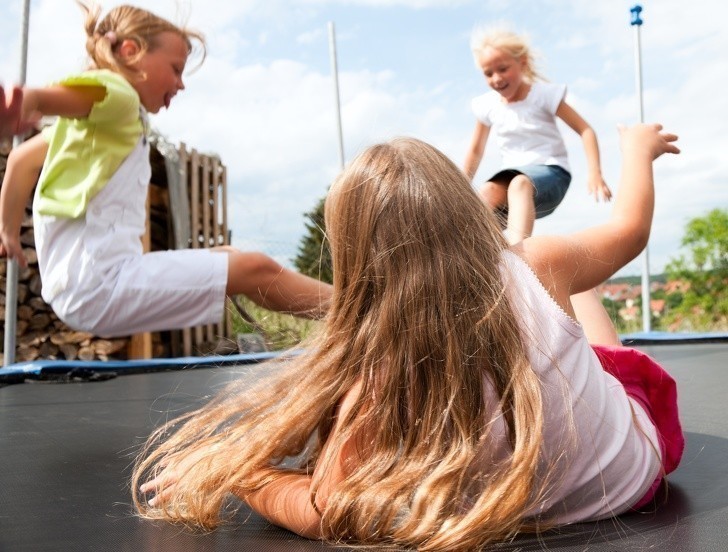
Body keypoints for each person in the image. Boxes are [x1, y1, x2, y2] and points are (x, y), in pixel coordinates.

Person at [132, 123, 682, 550]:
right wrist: (636, 149)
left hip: (553, 495)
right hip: (632, 475)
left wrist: (242, 472)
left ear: (353, 259)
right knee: (586, 328)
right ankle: (514, 238)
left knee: (588, 335)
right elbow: (630, 229)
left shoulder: (376, 375)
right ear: (466, 214)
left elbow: (326, 511)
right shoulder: (541, 265)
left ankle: (517, 240)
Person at [0, 2, 331, 337]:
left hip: (82, 287)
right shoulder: (119, 96)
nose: (181, 83)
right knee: (255, 268)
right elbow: (55, 98)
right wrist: (30, 100)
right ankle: (361, 312)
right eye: (175, 69)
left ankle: (349, 315)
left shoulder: (88, 129)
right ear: (131, 52)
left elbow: (20, 160)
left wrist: (8, 233)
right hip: (101, 285)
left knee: (230, 256)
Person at [463, 27, 612, 245]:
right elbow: (476, 150)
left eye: (503, 69)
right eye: (488, 73)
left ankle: (520, 261)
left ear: (522, 63)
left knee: (520, 184)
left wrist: (595, 173)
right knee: (485, 194)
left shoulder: (543, 95)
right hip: (511, 180)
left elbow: (585, 130)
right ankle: (483, 256)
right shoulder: (487, 105)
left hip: (552, 174)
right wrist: (460, 186)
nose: (496, 78)